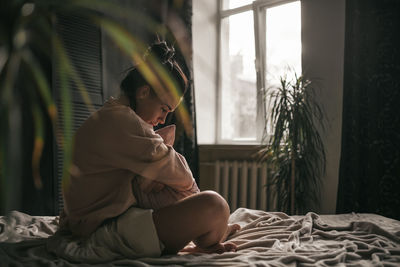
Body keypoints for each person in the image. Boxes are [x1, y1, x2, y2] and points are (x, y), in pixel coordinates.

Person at [58, 40, 240, 260]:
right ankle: (210, 235)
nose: (163, 119)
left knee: (182, 194)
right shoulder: (123, 122)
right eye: (164, 109)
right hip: (100, 231)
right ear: (144, 92)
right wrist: (194, 203)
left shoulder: (112, 115)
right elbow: (183, 176)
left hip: (95, 222)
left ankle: (208, 233)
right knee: (215, 205)